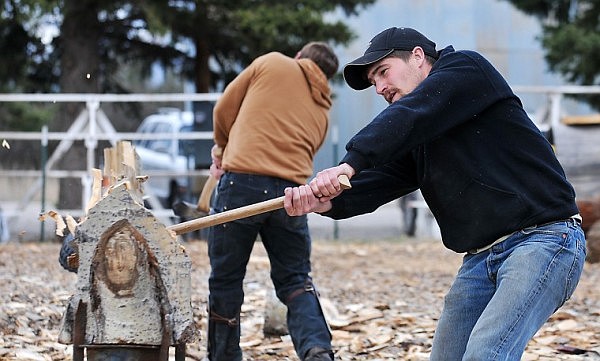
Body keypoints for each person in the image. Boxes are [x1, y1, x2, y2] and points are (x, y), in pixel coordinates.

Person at [283, 27, 586, 360]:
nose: (380, 88)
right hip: (480, 258)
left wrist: (350, 162)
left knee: (485, 353)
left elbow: (410, 116)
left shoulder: (467, 70)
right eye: (374, 83)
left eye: (383, 72)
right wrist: (327, 201)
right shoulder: (421, 132)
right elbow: (385, 177)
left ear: (417, 56)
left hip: (544, 240)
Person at [206, 42, 339, 361]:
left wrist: (222, 149)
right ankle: (317, 350)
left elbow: (224, 108)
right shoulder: (323, 112)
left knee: (226, 277)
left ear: (299, 58)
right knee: (295, 280)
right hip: (291, 196)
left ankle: (223, 356)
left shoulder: (272, 63)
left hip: (241, 184)